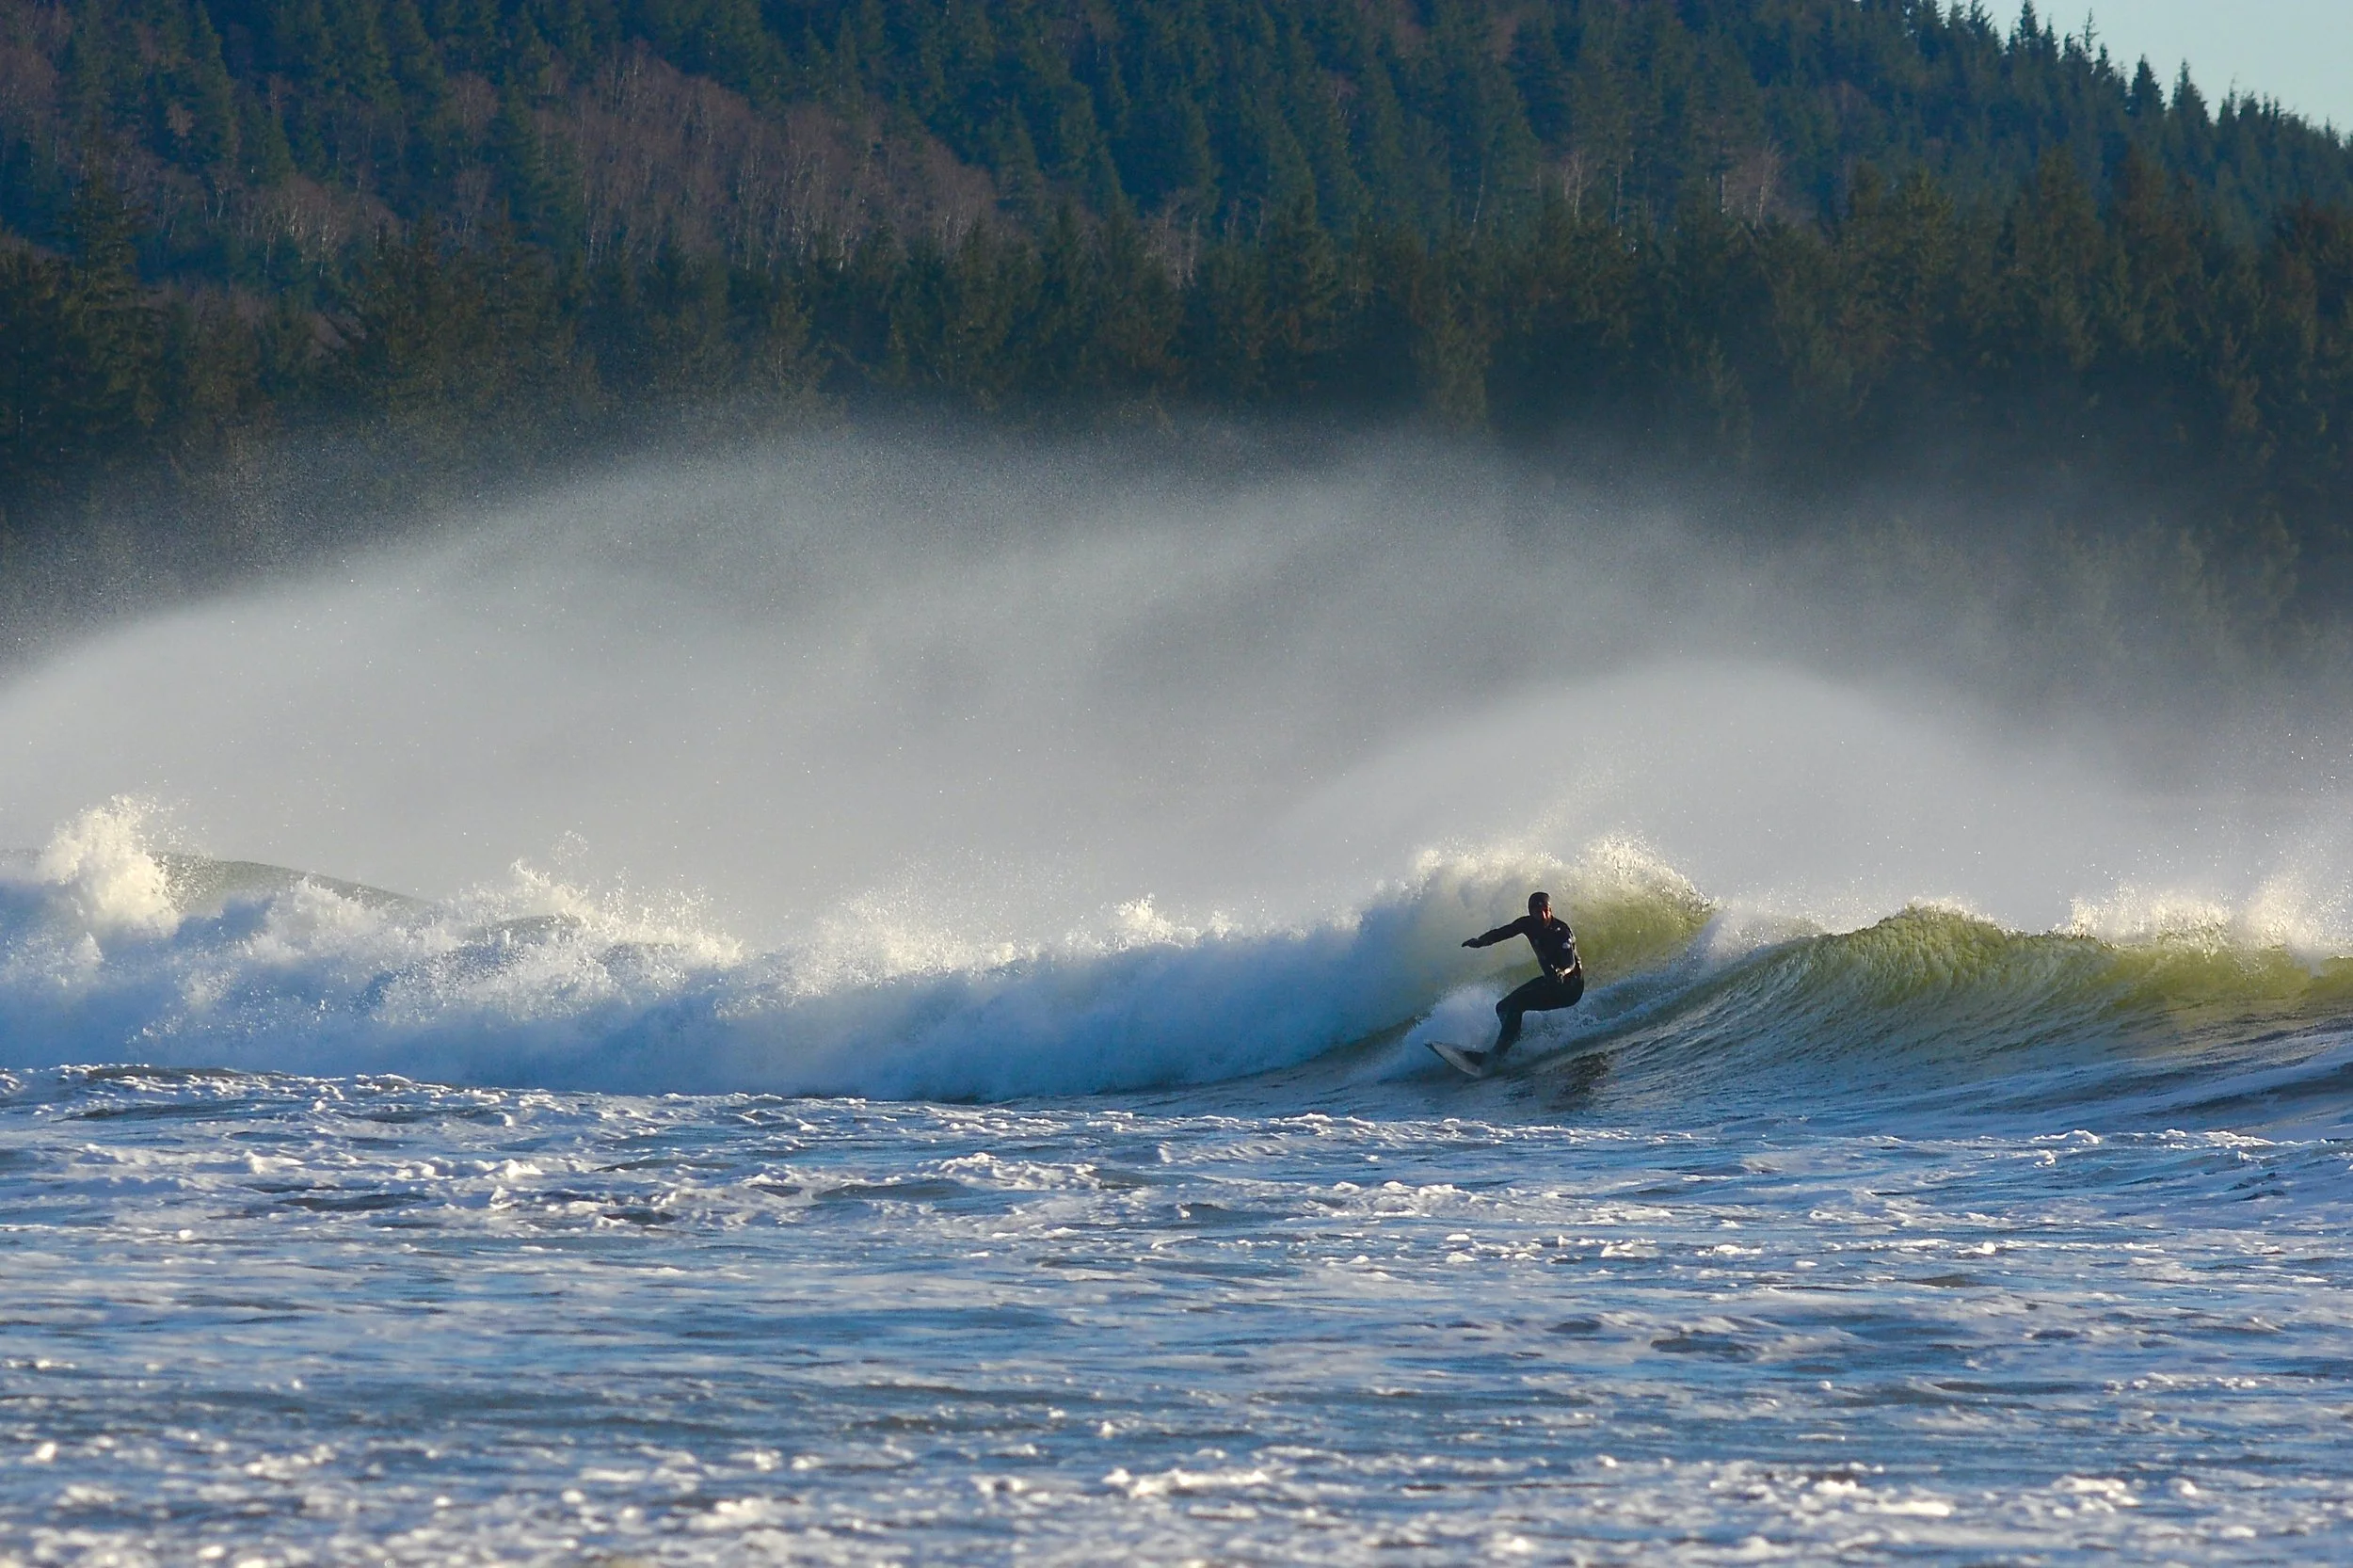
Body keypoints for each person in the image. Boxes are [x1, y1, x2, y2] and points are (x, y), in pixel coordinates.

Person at [1459, 891, 1584, 1066]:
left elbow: (1569, 962)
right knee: (1502, 1007)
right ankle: (1513, 1041)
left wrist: (1562, 972)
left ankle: (1496, 1056)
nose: (1543, 915)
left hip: (1570, 988)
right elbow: (1503, 932)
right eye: (1537, 911)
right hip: (1551, 982)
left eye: (1546, 910)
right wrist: (1480, 941)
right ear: (1530, 912)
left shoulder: (1561, 932)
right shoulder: (1527, 924)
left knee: (1516, 1005)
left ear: (1550, 910)